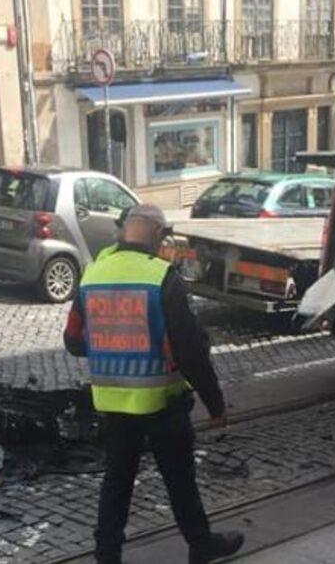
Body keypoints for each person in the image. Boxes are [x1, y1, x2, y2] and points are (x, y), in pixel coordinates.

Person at [64, 204, 245, 564]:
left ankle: (107, 556)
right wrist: (216, 404)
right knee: (180, 480)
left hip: (114, 404)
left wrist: (109, 342)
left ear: (123, 233)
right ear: (160, 236)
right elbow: (190, 351)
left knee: (117, 482)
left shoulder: (93, 273)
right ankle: (200, 545)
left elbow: (73, 341)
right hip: (163, 402)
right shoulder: (162, 277)